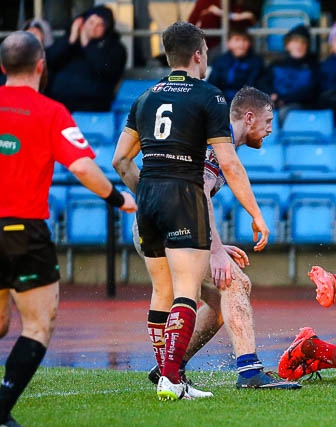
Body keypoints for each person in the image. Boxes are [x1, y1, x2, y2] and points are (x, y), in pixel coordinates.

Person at [0, 31, 136, 426]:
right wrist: (117, 198)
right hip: (23, 229)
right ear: (41, 65)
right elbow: (79, 166)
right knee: (39, 324)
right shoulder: (50, 111)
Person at [134, 87, 300, 390]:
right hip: (177, 220)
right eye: (267, 121)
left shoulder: (212, 139)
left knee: (222, 299)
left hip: (154, 215)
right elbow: (198, 190)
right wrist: (217, 252)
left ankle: (170, 367)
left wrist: (217, 244)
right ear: (249, 117)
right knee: (234, 283)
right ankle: (249, 372)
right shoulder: (216, 143)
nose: (270, 129)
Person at [110, 21, 230, 401]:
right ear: (198, 55)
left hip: (148, 199)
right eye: (206, 53)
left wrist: (144, 190)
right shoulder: (209, 96)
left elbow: (119, 161)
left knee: (161, 291)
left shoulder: (143, 97)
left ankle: (167, 374)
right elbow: (230, 163)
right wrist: (256, 214)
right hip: (183, 194)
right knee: (187, 291)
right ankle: (173, 380)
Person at [46, 5, 127, 112]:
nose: (93, 28)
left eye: (100, 25)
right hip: (60, 103)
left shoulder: (115, 47)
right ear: (82, 23)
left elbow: (105, 70)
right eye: (91, 22)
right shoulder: (68, 42)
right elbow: (49, 60)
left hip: (92, 106)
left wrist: (87, 45)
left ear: (107, 28)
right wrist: (70, 40)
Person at [258, 24, 319, 122]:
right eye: (295, 42)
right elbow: (263, 83)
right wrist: (271, 94)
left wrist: (284, 99)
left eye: (303, 43)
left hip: (300, 106)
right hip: (274, 103)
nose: (299, 46)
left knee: (284, 113)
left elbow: (311, 91)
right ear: (287, 45)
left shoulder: (313, 66)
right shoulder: (276, 64)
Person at [207, 28, 264, 102]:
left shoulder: (256, 62)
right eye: (237, 40)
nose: (241, 44)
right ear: (229, 43)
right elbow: (212, 85)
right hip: (222, 101)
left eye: (245, 40)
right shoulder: (220, 61)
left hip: (247, 102)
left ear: (249, 43)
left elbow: (254, 86)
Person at [188, 0, 257, 51]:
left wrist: (231, 15)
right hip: (205, 44)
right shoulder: (205, 2)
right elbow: (192, 23)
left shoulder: (236, 4)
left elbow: (249, 19)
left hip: (230, 44)